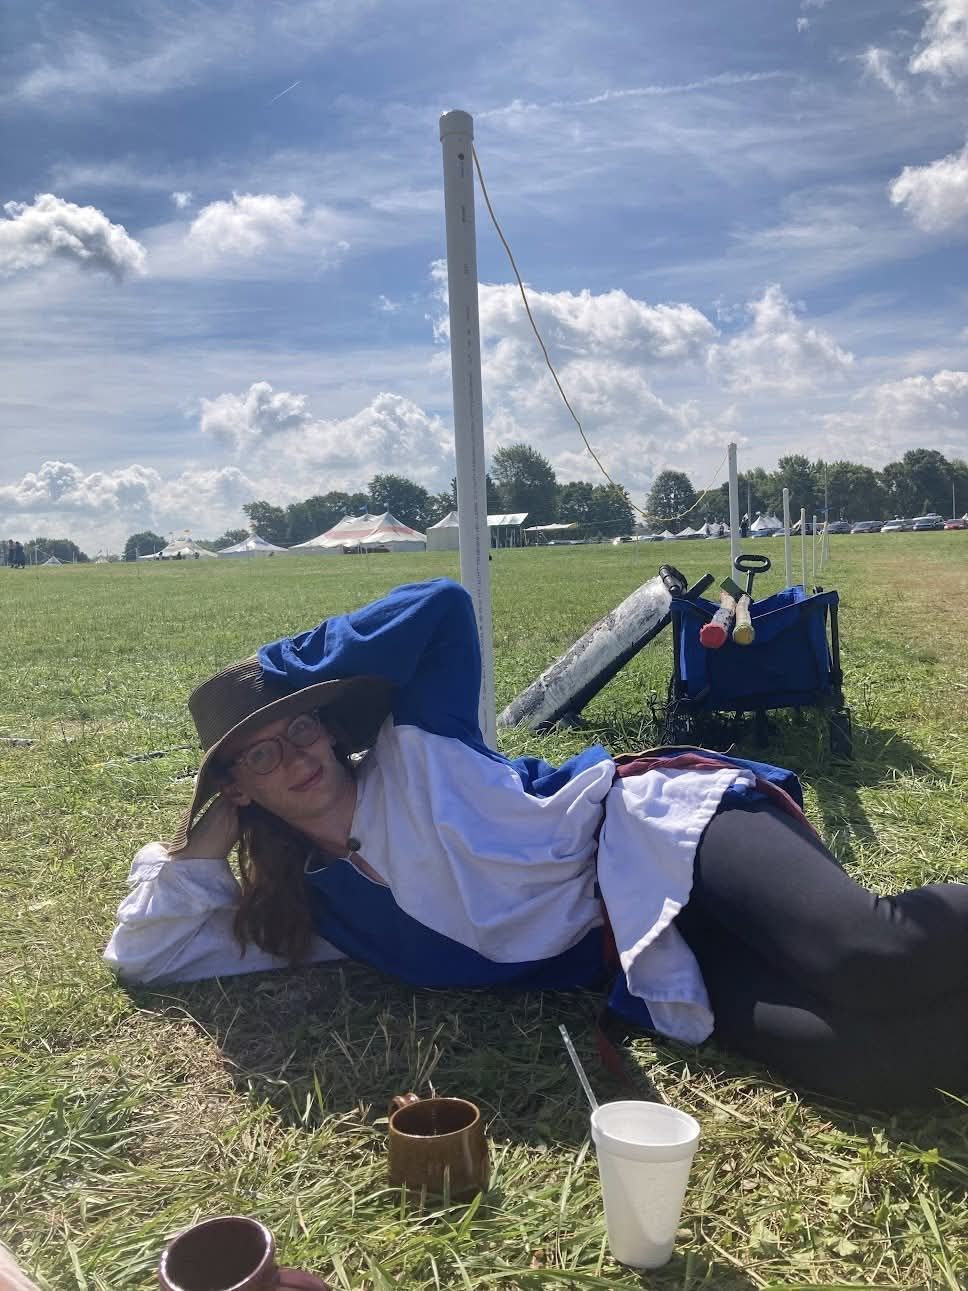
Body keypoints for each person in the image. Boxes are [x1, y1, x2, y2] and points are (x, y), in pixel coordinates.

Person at [104, 579, 968, 1109]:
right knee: (871, 1066)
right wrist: (202, 850)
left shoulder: (419, 745)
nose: (295, 754)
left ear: (332, 729)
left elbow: (441, 606)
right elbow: (147, 955)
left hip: (658, 827)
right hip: (639, 947)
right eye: (262, 752)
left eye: (301, 727)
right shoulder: (326, 905)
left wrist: (283, 666)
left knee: (873, 957)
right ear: (240, 786)